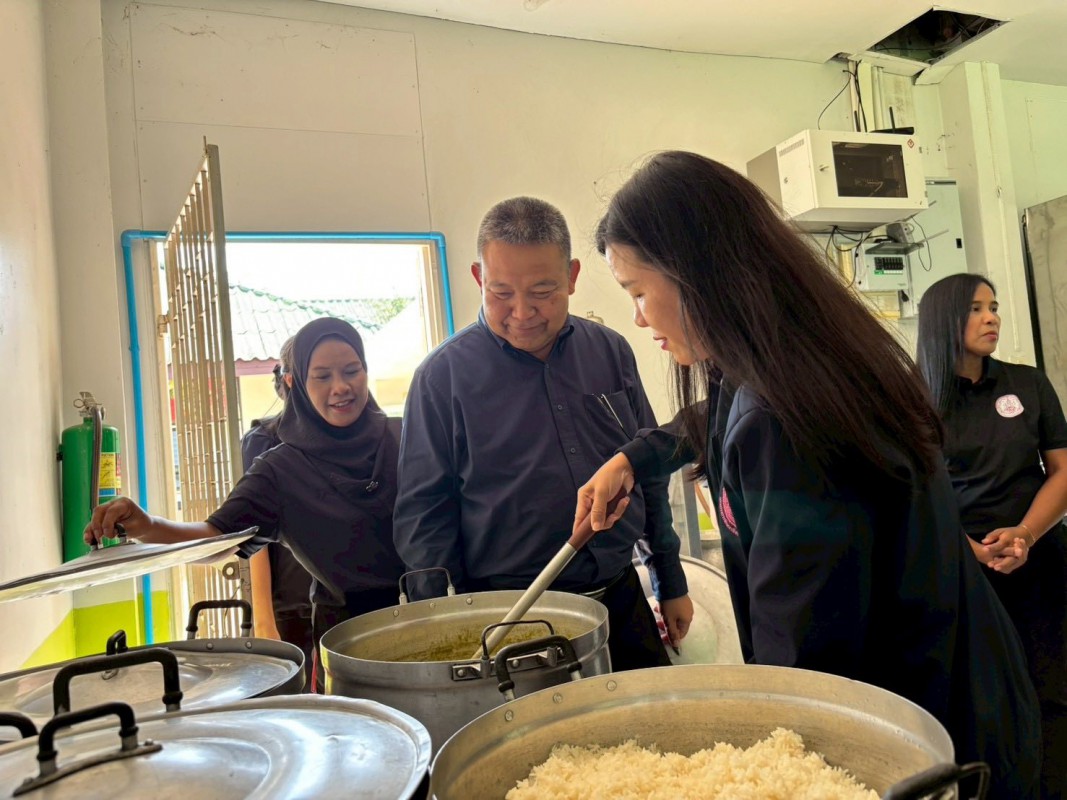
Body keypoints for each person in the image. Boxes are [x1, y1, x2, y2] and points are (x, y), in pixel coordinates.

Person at [575, 151, 1041, 797]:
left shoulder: (783, 423)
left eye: (636, 292)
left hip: (921, 737)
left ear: (695, 274)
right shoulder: (797, 360)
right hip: (960, 696)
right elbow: (713, 415)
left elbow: (805, 652)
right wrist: (634, 457)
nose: (638, 318)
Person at [394, 196, 693, 671]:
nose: (522, 312)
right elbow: (424, 517)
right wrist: (447, 633)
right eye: (501, 292)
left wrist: (669, 580)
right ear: (478, 278)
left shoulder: (610, 352)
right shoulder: (441, 378)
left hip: (621, 600)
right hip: (515, 619)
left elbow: (647, 473)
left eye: (542, 290)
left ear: (572, 277)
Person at [86, 317, 406, 691]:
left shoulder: (406, 435)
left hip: (430, 616)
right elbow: (216, 538)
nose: (341, 387)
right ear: (296, 384)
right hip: (349, 649)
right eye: (322, 376)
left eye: (352, 371)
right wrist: (147, 526)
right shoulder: (280, 470)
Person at [917, 272, 1067, 799]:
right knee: (977, 698)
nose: (992, 318)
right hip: (959, 570)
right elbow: (910, 496)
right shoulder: (912, 397)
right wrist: (971, 551)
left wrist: (1025, 534)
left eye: (994, 307)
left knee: (1052, 690)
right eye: (976, 309)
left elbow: (1062, 472)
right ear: (944, 320)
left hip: (1038, 558)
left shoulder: (1027, 383)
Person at [240, 335, 315, 679]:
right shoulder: (264, 440)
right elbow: (254, 536)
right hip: (293, 605)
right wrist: (264, 621)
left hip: (344, 601)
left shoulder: (351, 436)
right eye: (319, 375)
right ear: (290, 382)